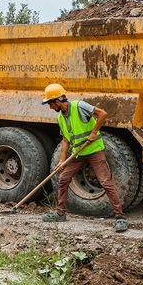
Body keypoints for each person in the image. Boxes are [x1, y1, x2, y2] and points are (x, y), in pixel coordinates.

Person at [40, 83, 128, 232]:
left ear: (57, 101)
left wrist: (94, 132)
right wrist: (62, 161)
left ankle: (120, 218)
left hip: (94, 150)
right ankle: (60, 213)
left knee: (105, 182)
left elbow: (102, 114)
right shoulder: (61, 118)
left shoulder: (78, 106)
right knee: (63, 179)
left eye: (50, 104)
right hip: (78, 153)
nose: (50, 107)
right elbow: (66, 140)